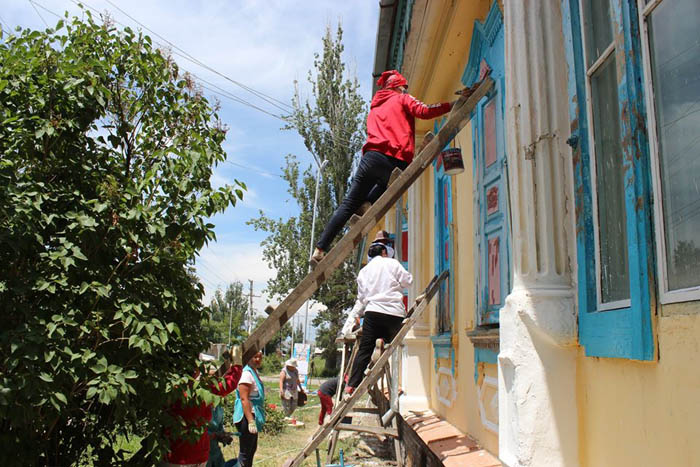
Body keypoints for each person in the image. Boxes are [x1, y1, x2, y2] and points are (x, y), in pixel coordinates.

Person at [311, 70, 463, 264]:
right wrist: (451, 105)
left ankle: (320, 248)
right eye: (403, 87)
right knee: (389, 183)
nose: (404, 90)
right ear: (399, 86)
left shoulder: (375, 107)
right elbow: (424, 111)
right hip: (394, 160)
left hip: (370, 159)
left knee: (348, 204)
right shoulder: (402, 98)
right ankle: (370, 202)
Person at [345, 238, 412, 396]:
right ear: (383, 252)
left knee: (365, 349)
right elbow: (409, 281)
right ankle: (397, 384)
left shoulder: (364, 272)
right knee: (395, 347)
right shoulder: (392, 263)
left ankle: (351, 385)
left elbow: (362, 298)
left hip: (373, 312)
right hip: (394, 312)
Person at [164, 350, 242, 467]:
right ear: (196, 370)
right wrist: (237, 362)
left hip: (173, 454)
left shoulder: (164, 391)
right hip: (198, 454)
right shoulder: (203, 391)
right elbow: (230, 383)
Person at [232, 350, 265, 467]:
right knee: (245, 453)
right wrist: (251, 420)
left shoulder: (254, 372)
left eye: (260, 357)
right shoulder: (246, 374)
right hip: (246, 417)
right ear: (248, 358)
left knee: (251, 450)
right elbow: (244, 399)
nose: (258, 359)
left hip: (252, 415)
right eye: (255, 357)